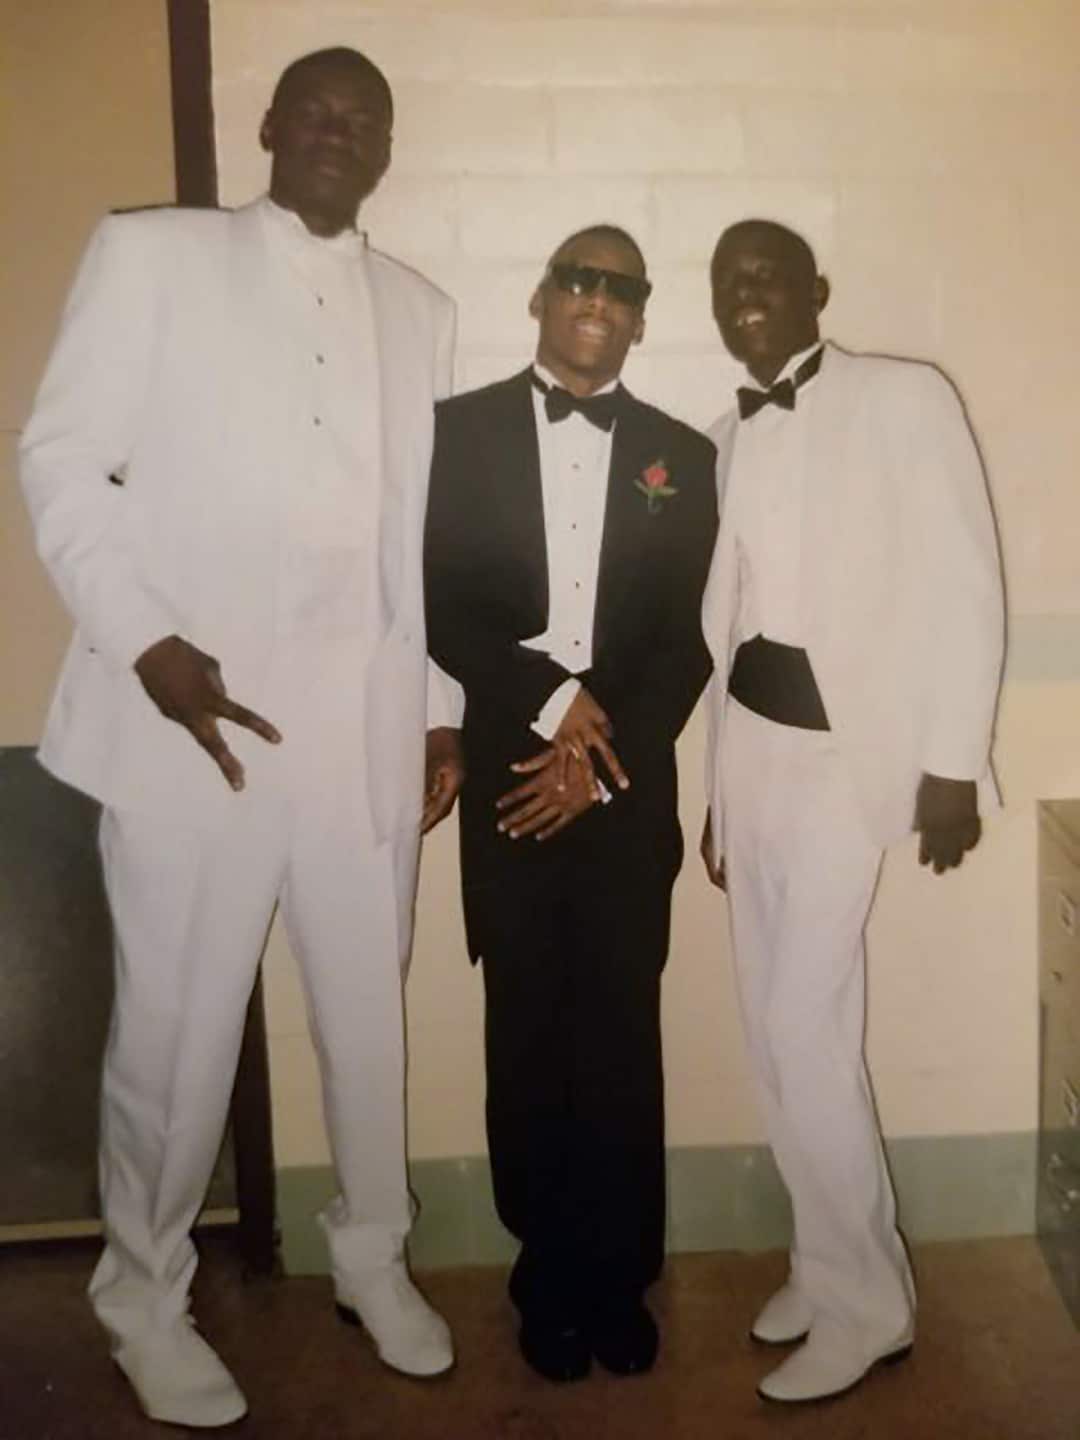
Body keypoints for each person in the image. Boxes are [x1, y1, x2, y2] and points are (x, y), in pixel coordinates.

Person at [19, 46, 464, 1428]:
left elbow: (427, 539)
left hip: (361, 734)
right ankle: (143, 1300)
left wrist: (441, 711)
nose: (338, 132)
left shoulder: (423, 310)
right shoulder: (154, 255)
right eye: (315, 110)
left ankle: (372, 1259)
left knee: (366, 1021)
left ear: (385, 149)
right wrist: (146, 640)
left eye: (363, 119)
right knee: (175, 1036)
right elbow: (57, 458)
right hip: (193, 727)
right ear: (267, 126)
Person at [700, 219, 1004, 1404]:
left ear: (816, 290)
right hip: (754, 757)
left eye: (767, 275)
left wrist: (952, 765)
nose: (746, 296)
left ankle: (868, 1308)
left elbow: (967, 584)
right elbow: (730, 627)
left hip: (847, 763)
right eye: (728, 283)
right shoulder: (728, 436)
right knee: (773, 1029)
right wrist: (717, 796)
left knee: (803, 1024)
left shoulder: (904, 397)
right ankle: (824, 1264)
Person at [424, 225, 718, 1383]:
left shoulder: (682, 455)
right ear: (542, 298)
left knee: (619, 1036)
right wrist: (552, 708)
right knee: (527, 1032)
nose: (597, 299)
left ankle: (618, 1276)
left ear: (640, 317)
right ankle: (545, 1273)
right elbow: (439, 599)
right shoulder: (455, 435)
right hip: (511, 773)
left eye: (620, 288)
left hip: (625, 782)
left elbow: (689, 636)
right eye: (578, 280)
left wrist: (597, 757)